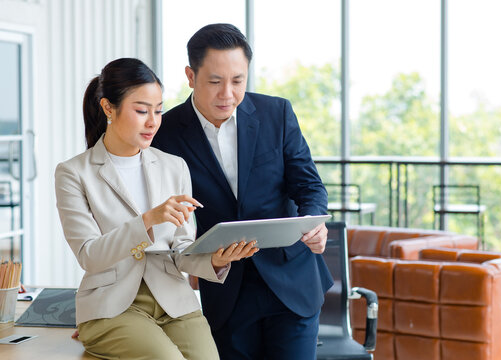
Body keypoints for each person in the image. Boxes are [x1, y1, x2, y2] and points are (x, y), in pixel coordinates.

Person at [54, 57, 257, 360]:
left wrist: (214, 260)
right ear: (108, 108)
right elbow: (89, 256)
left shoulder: (173, 167)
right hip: (112, 306)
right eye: (141, 111)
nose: (153, 121)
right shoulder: (73, 173)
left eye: (159, 110)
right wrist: (148, 219)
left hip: (174, 301)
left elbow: (183, 249)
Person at [152, 24, 333, 359]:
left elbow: (308, 184)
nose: (228, 94)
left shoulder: (276, 113)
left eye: (238, 81)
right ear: (191, 76)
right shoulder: (166, 134)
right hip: (226, 288)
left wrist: (313, 221)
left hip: (291, 281)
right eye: (215, 81)